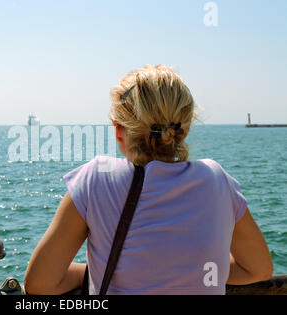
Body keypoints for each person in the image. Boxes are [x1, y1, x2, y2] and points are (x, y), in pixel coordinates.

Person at [24, 65, 273, 295]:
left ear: (118, 129)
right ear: (183, 131)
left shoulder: (95, 179)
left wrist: (92, 273)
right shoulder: (217, 180)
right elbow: (258, 269)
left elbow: (40, 283)